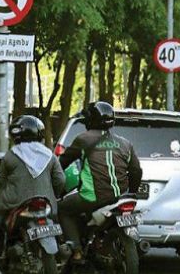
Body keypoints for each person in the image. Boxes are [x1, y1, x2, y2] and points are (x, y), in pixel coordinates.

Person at [0, 115, 65, 266]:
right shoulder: (50, 155)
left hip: (13, 203)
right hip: (46, 203)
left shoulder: (11, 155)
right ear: (39, 133)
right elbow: (60, 180)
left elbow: (1, 183)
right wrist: (53, 194)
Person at [58, 101, 142, 262]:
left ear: (90, 120)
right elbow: (136, 171)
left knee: (62, 209)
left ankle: (76, 250)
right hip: (120, 197)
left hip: (92, 197)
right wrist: (132, 191)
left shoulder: (83, 140)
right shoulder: (125, 143)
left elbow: (62, 163)